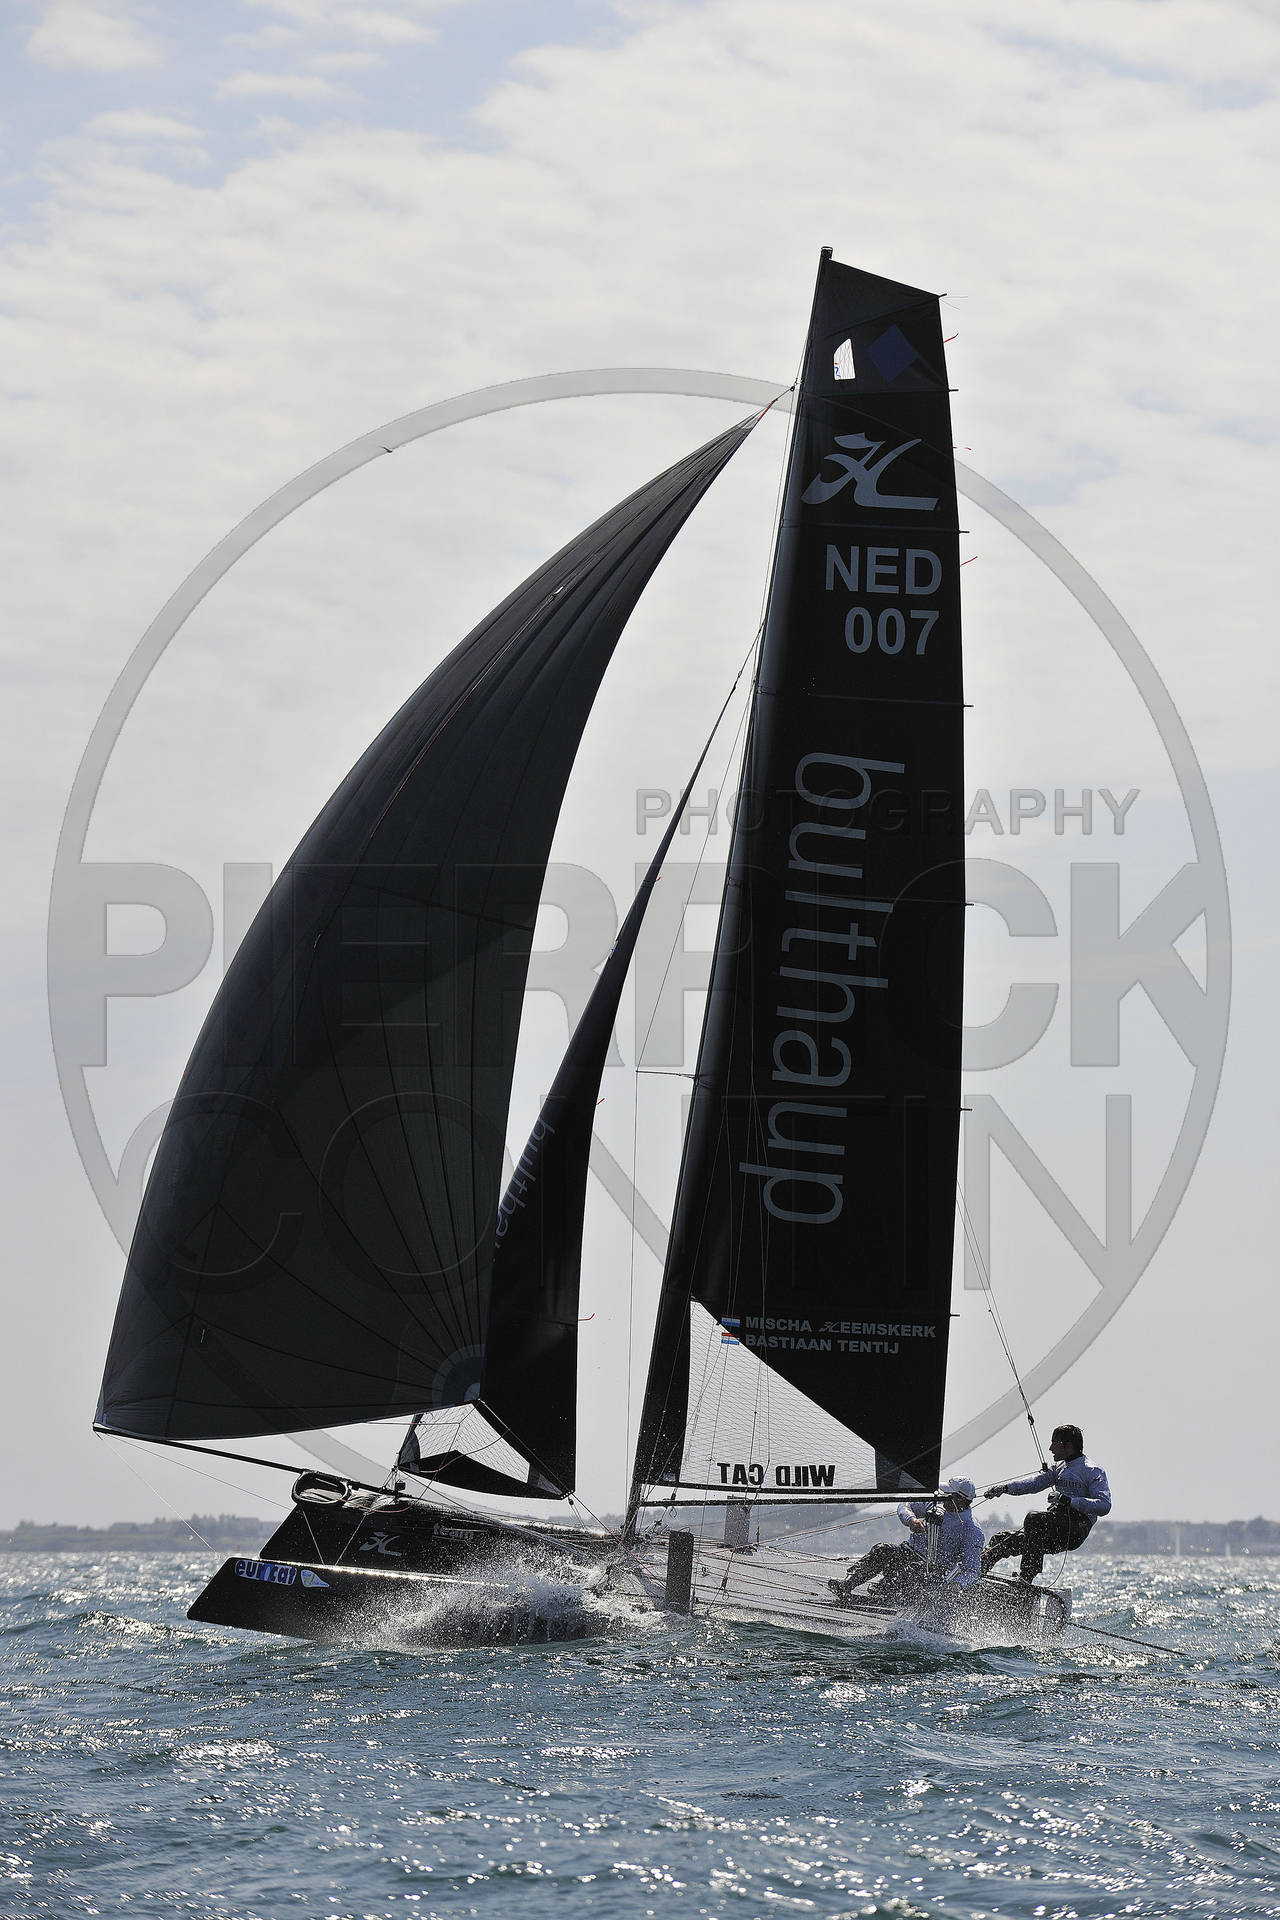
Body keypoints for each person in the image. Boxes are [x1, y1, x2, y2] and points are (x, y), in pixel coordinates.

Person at [981, 1424, 1111, 1582]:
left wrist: (1068, 1501)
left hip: (1075, 1529)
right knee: (1002, 1541)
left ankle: (1026, 1577)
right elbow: (1034, 1483)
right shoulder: (1058, 1468)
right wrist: (1005, 1488)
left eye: (1054, 1443)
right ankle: (974, 1573)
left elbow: (1104, 1505)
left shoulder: (1093, 1470)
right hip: (1049, 1529)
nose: (1050, 1448)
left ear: (1067, 1445)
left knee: (1034, 1518)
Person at [829, 1477, 983, 1605]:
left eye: (948, 1494)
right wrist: (911, 1520)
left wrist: (957, 1584)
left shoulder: (972, 1530)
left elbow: (972, 1570)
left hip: (934, 1571)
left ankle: (887, 1593)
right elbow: (906, 1504)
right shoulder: (935, 1504)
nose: (943, 1496)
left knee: (912, 1571)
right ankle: (846, 1584)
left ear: (960, 1499)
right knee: (882, 1550)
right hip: (908, 1552)